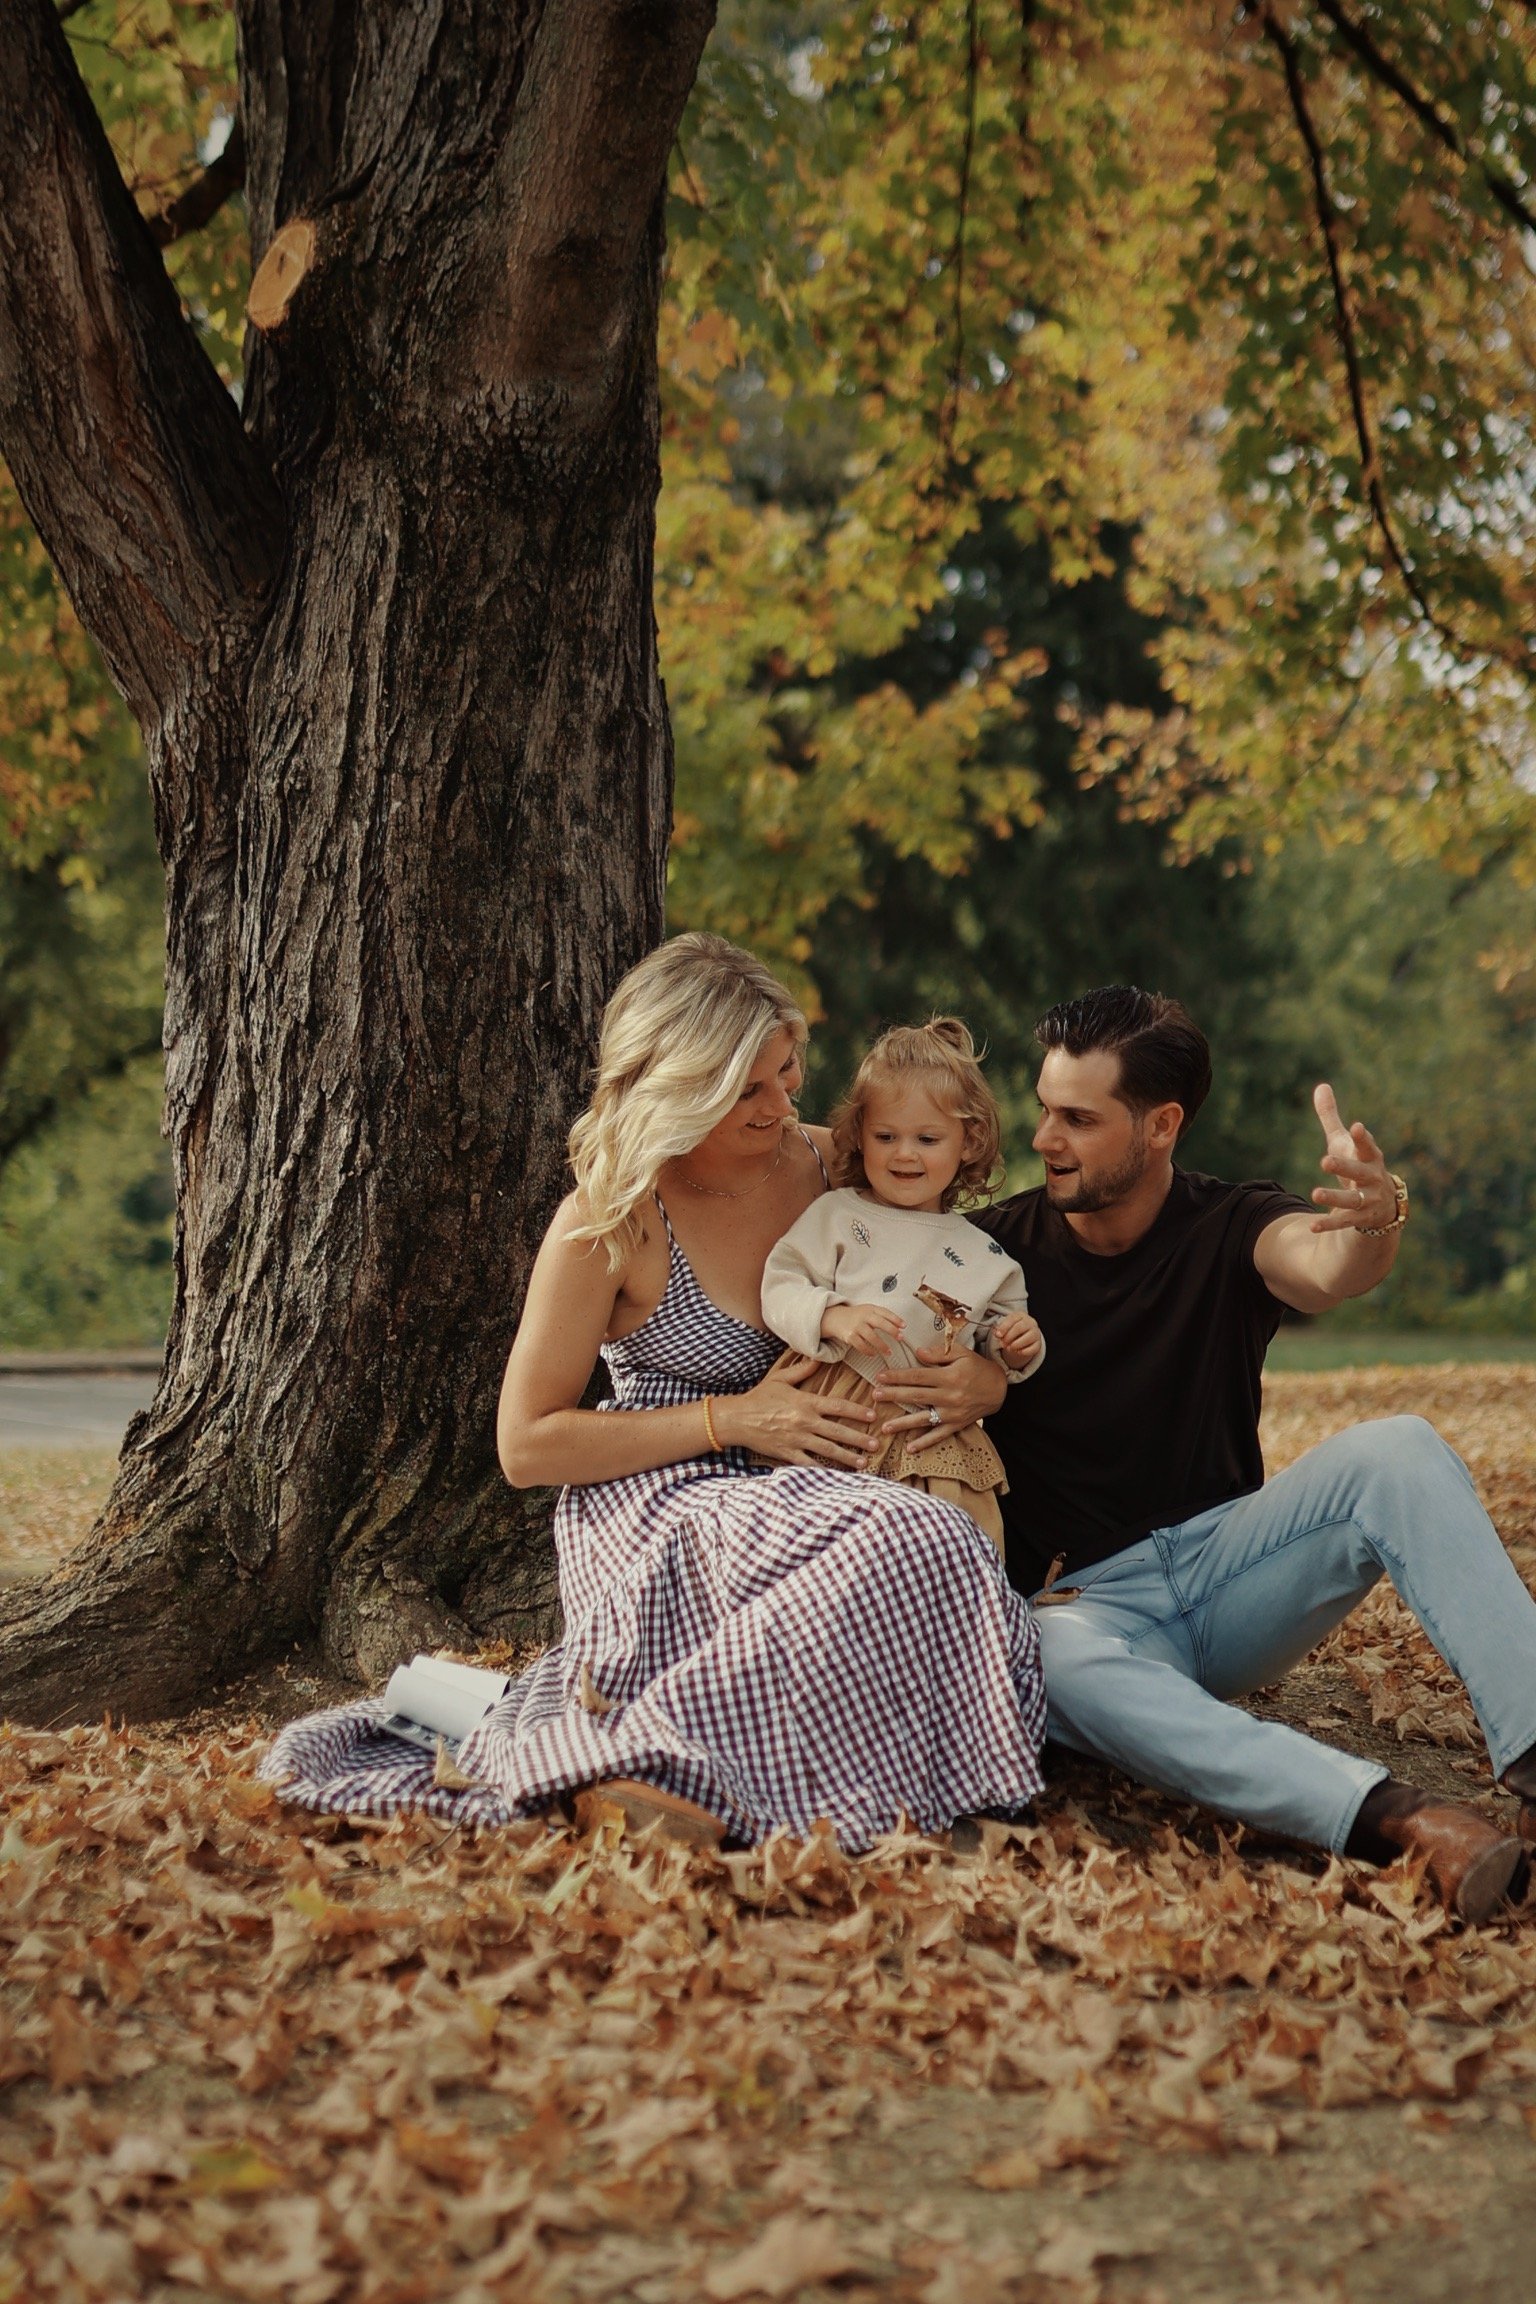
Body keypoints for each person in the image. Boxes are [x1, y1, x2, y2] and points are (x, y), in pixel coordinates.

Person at [263, 934, 1047, 1850]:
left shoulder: (835, 1164)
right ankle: (659, 1769)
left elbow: (946, 1278)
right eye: (749, 1089)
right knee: (900, 1536)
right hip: (662, 1498)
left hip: (809, 1482)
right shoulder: (612, 1218)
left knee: (934, 1540)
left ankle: (840, 1785)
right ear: (681, 1087)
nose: (784, 1103)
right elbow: (527, 1444)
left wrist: (985, 1378)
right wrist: (733, 1419)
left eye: (788, 1073)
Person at [971, 984, 1536, 1924]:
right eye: (1043, 1108)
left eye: (1077, 1117)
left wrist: (1375, 1218)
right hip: (1087, 1611)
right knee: (1045, 1659)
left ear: (1161, 1126)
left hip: (1231, 1571)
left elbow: (1324, 1267)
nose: (1045, 1138)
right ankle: (1405, 1822)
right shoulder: (988, 1254)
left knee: (1398, 1448)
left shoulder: (1228, 1221)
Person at [758, 1018, 1044, 1552]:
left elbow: (997, 1335)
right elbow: (781, 1282)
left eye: (927, 1138)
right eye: (885, 1136)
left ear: (969, 1141)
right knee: (829, 1551)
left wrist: (1015, 1345)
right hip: (841, 1412)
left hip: (930, 1436)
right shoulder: (838, 1215)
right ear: (860, 1136)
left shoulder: (986, 1255)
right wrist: (832, 1316)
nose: (904, 1154)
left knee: (946, 1549)